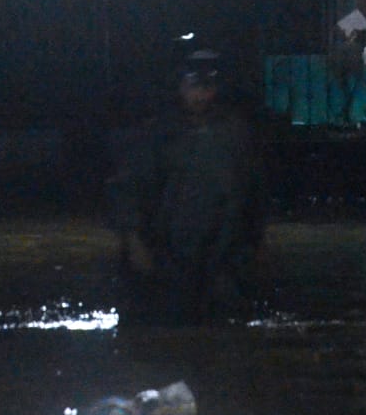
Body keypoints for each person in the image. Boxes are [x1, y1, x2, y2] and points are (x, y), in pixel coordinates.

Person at [106, 49, 266, 325]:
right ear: (181, 87)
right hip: (168, 252)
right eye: (194, 86)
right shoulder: (157, 134)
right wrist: (134, 242)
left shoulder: (235, 134)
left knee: (223, 326)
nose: (201, 96)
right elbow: (128, 188)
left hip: (222, 252)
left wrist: (256, 243)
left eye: (208, 87)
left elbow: (252, 192)